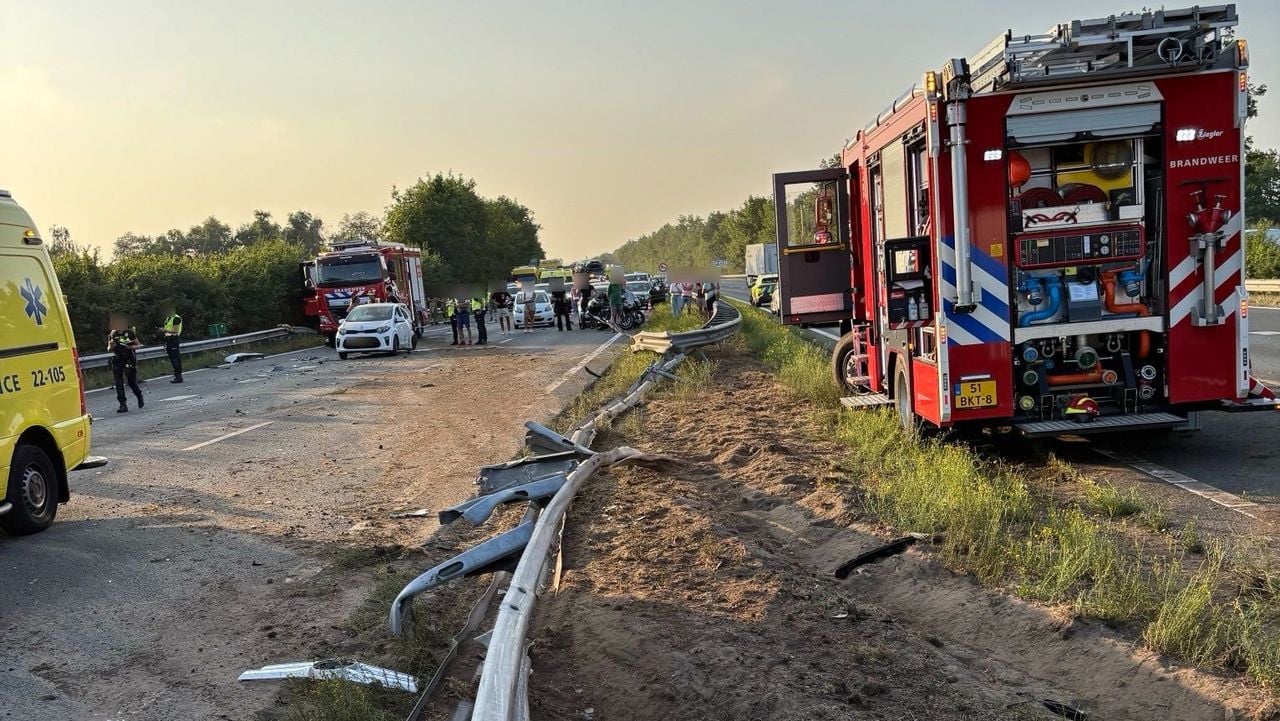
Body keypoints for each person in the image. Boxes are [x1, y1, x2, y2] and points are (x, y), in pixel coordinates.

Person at [108, 328, 144, 413]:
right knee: (118, 382)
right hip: (117, 359)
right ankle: (122, 404)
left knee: (131, 382)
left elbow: (139, 345)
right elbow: (109, 348)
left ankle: (139, 395)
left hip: (129, 358)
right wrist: (111, 346)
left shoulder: (129, 333)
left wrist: (130, 347)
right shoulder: (112, 334)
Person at [161, 310, 183, 383]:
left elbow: (175, 330)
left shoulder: (176, 318)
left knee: (175, 358)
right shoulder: (168, 318)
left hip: (174, 339)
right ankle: (177, 375)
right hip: (168, 340)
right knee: (172, 357)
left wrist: (164, 330)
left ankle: (178, 376)